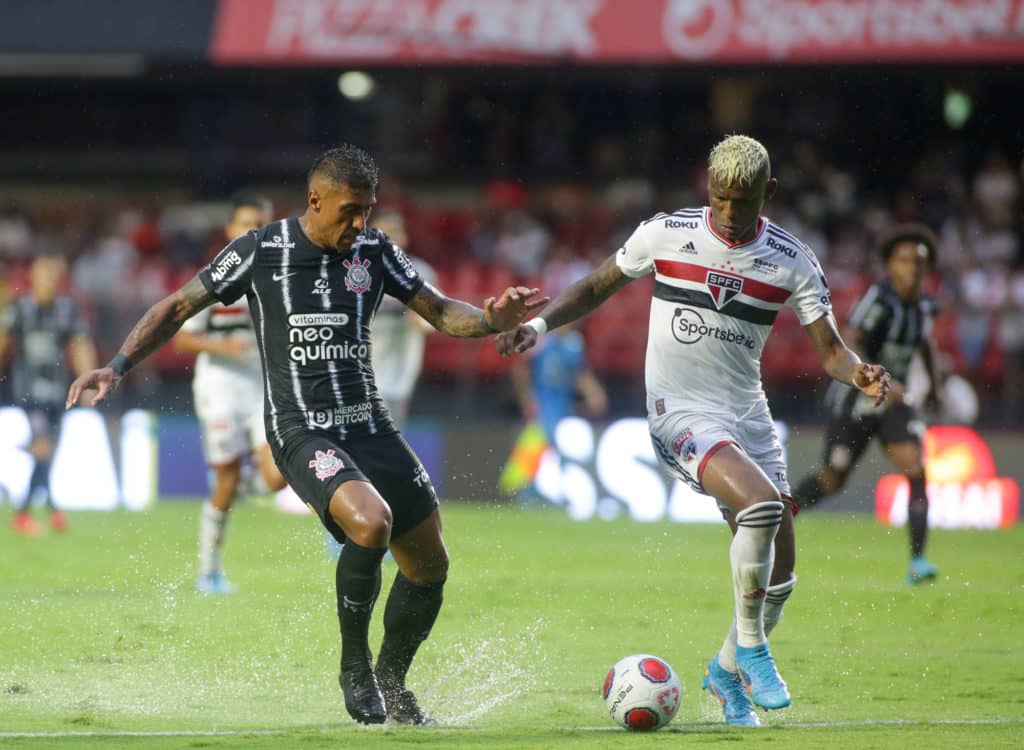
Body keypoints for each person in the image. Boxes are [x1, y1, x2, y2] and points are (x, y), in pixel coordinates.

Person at [66, 144, 547, 726]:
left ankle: (393, 684)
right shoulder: (260, 250)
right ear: (315, 199)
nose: (359, 223)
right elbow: (176, 307)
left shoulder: (374, 250)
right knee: (370, 523)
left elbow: (440, 310)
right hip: (300, 429)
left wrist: (493, 319)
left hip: (370, 422)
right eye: (349, 210)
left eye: (367, 210)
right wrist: (116, 366)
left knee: (430, 566)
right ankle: (355, 668)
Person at [496, 135, 890, 727]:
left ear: (770, 193)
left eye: (744, 201)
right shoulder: (667, 232)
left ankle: (726, 672)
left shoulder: (792, 259)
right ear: (707, 187)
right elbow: (598, 285)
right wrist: (541, 326)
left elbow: (831, 353)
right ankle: (754, 650)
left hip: (747, 415)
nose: (730, 213)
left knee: (780, 571)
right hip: (678, 410)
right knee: (761, 509)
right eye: (720, 197)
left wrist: (859, 371)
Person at [792, 225, 942, 585]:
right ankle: (779, 518)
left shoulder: (924, 306)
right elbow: (854, 337)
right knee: (831, 480)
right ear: (889, 265)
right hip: (856, 401)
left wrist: (934, 387)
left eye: (919, 263)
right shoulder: (878, 298)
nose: (912, 269)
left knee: (916, 468)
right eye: (904, 261)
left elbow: (924, 344)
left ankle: (918, 562)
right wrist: (877, 376)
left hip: (894, 403)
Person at [173, 192, 288, 594]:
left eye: (260, 224)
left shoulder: (280, 279)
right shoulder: (213, 278)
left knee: (278, 477)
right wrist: (224, 347)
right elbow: (182, 341)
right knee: (224, 479)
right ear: (230, 230)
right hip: (219, 388)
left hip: (262, 389)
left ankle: (243, 482)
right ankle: (209, 571)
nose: (253, 232)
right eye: (246, 224)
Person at [1, 252, 98, 535]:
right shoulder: (19, 308)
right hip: (28, 390)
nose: (48, 281)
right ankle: (29, 513)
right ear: (32, 277)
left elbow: (80, 345)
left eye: (54, 276)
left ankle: (49, 509)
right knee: (43, 446)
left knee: (47, 451)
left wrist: (88, 385)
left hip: (59, 391)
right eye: (44, 275)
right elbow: (3, 341)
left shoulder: (68, 309)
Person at [509, 322, 607, 502]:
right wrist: (527, 399)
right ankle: (525, 494)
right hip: (541, 406)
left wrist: (593, 393)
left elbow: (579, 374)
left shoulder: (574, 343)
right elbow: (521, 369)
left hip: (563, 407)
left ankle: (558, 494)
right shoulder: (541, 342)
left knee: (560, 451)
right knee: (535, 449)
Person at [368, 209, 435, 428]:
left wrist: (417, 316)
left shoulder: (420, 271)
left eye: (394, 232)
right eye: (382, 232)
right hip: (358, 373)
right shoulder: (355, 271)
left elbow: (435, 320)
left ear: (405, 237)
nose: (388, 238)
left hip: (397, 376)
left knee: (387, 441)